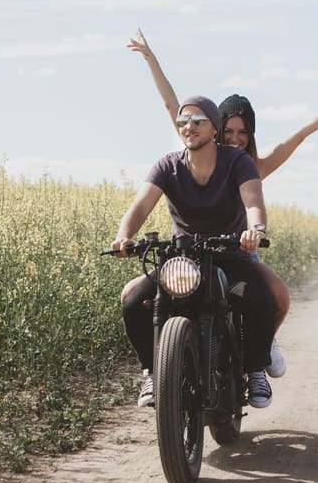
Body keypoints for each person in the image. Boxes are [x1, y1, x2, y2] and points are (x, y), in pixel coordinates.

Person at [127, 28, 318, 378]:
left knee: (278, 297)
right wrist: (151, 59)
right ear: (215, 131)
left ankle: (259, 352)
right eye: (229, 133)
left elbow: (301, 133)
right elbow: (172, 103)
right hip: (191, 253)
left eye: (243, 134)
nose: (236, 140)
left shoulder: (254, 165)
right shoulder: (194, 145)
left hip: (239, 247)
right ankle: (165, 369)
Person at [111, 96, 277, 409]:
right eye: (182, 121)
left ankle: (255, 369)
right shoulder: (167, 165)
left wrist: (255, 231)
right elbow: (140, 206)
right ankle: (151, 371)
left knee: (258, 297)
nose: (189, 126)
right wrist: (124, 237)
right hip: (182, 260)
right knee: (134, 302)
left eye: (198, 121)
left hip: (229, 257)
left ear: (215, 128)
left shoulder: (236, 162)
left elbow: (253, 201)